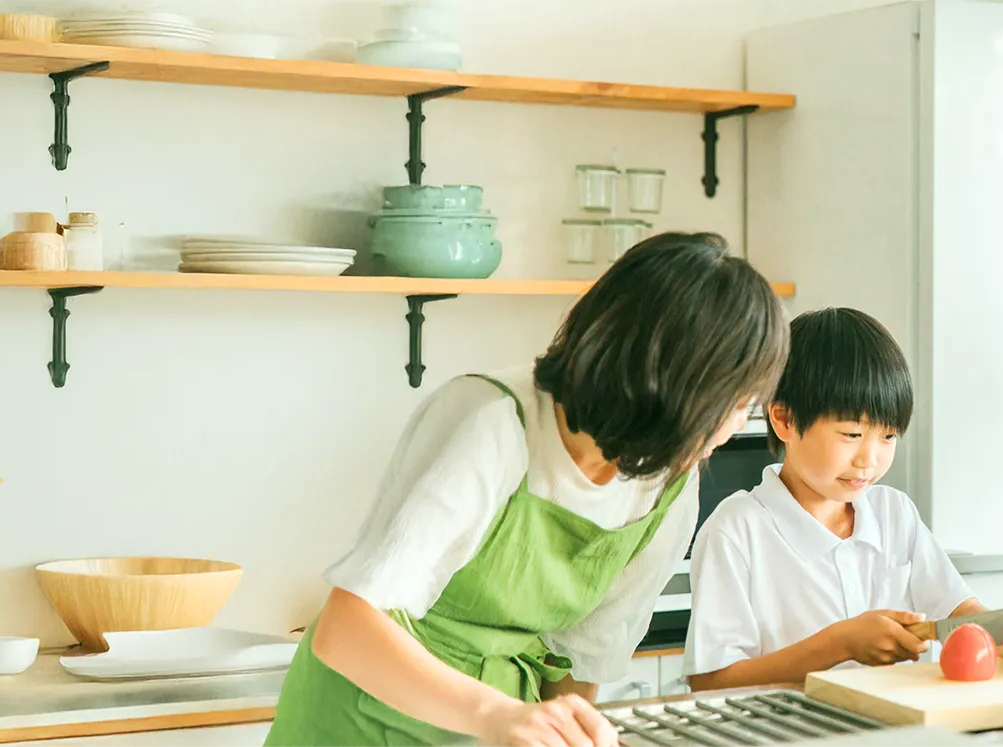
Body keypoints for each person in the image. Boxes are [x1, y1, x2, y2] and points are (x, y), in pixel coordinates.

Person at [265, 233, 789, 747]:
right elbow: (347, 627)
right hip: (357, 718)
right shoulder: (492, 422)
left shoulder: (668, 486)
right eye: (728, 405)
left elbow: (580, 663)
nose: (728, 430)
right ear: (664, 382)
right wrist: (497, 715)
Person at [683, 307, 1003, 691]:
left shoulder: (894, 513)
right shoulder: (736, 530)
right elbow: (710, 681)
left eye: (888, 436)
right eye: (851, 435)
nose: (869, 461)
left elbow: (958, 614)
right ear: (785, 420)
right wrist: (839, 644)